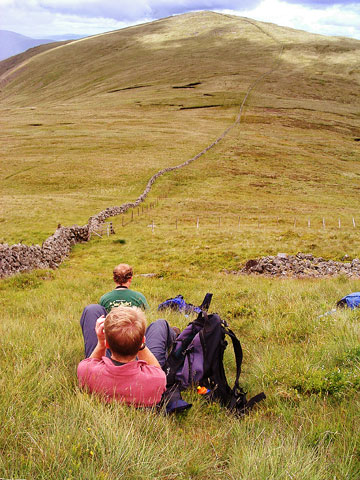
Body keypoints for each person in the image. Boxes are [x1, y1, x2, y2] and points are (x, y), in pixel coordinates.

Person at [78, 304, 177, 407]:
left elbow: (91, 362)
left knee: (92, 309)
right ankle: (173, 333)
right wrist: (141, 345)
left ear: (107, 344)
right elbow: (157, 370)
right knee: (160, 324)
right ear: (143, 341)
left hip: (105, 369)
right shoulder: (157, 379)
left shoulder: (85, 371)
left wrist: (101, 342)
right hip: (138, 371)